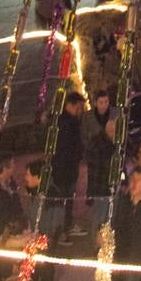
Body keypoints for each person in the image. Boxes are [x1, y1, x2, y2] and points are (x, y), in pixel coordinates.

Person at [51, 91, 86, 243]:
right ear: (69, 105)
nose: (80, 111)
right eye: (78, 107)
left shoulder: (71, 122)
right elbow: (65, 148)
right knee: (62, 199)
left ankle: (67, 225)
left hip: (69, 167)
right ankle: (59, 231)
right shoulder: (64, 123)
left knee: (68, 198)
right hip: (63, 168)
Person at [82, 89, 115, 230]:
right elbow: (83, 136)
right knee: (97, 196)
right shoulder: (88, 117)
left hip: (110, 159)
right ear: (96, 103)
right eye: (101, 102)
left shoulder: (114, 115)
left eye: (106, 102)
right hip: (95, 158)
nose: (103, 105)